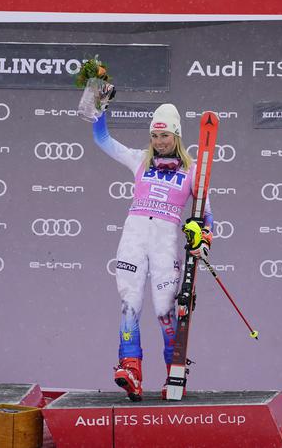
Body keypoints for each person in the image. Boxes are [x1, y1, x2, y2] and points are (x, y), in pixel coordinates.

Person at [91, 103, 213, 401]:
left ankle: (175, 368)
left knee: (164, 310)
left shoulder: (193, 171)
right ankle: (130, 368)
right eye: (155, 136)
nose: (159, 142)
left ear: (177, 136)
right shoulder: (139, 160)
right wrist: (98, 107)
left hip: (165, 242)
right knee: (129, 304)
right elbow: (102, 139)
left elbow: (207, 217)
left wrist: (202, 237)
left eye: (165, 136)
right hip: (133, 237)